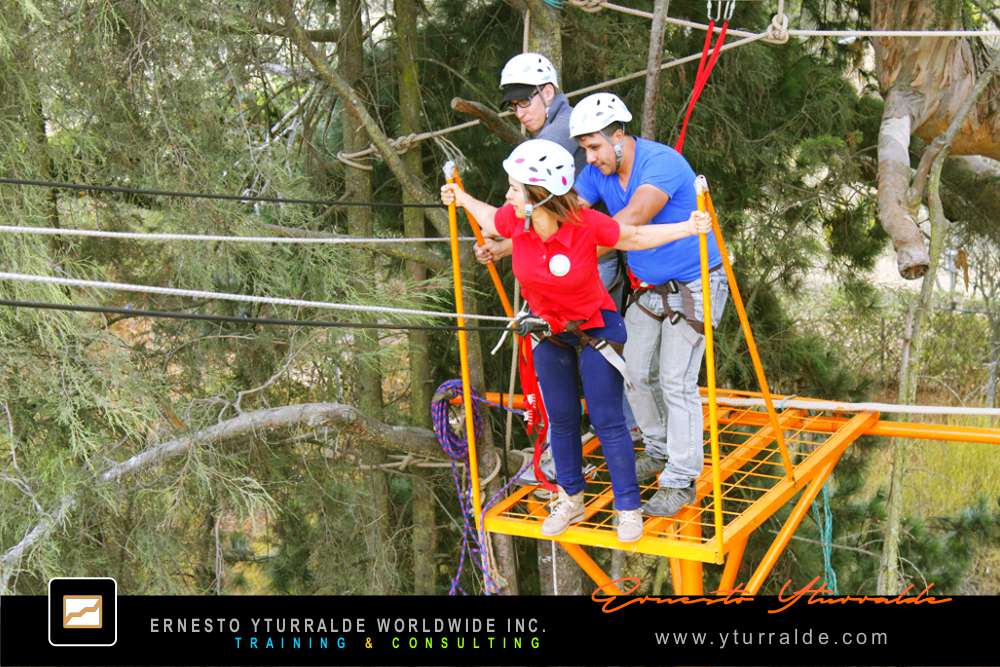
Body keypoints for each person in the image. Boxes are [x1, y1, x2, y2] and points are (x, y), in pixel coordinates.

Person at [440, 139, 713, 543]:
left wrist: (688, 227)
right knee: (562, 419)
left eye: (514, 188)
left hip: (596, 331)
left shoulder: (586, 225)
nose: (507, 195)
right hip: (550, 333)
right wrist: (460, 197)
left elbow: (633, 236)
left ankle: (627, 508)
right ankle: (571, 499)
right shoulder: (518, 222)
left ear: (537, 197)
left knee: (607, 420)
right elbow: (491, 219)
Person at [568, 92, 730, 518]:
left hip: (697, 283)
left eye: (596, 146)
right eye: (584, 148)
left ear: (619, 136)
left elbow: (633, 219)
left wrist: (574, 248)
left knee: (676, 380)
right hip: (651, 287)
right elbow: (569, 215)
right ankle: (658, 450)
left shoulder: (663, 164)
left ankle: (681, 479)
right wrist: (520, 241)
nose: (590, 157)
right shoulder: (597, 173)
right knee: (634, 372)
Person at [481, 53, 627, 310]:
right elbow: (547, 212)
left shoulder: (565, 128)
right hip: (572, 254)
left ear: (547, 92)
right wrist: (503, 244)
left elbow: (528, 192)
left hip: (588, 257)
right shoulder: (559, 126)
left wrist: (495, 227)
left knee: (584, 341)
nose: (519, 113)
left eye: (524, 101)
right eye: (513, 106)